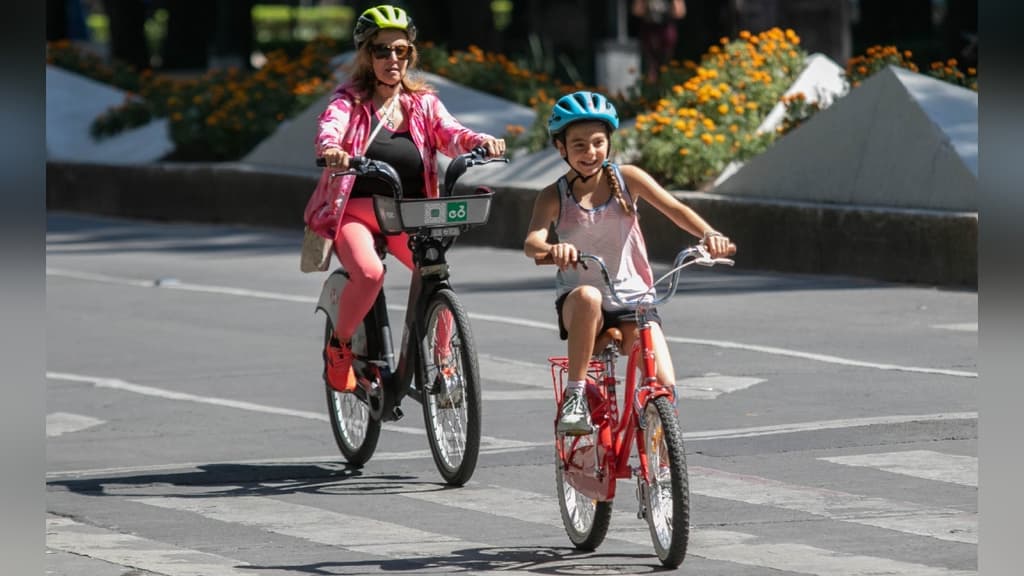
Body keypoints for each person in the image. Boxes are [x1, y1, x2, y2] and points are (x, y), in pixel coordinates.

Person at [303, 4, 506, 392]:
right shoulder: (350, 101)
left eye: (401, 50)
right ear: (366, 54)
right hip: (355, 215)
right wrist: (332, 149)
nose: (392, 59)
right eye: (382, 50)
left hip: (407, 214)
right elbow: (330, 127)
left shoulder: (422, 102)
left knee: (434, 271)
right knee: (369, 273)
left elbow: (451, 133)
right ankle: (340, 345)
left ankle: (444, 363)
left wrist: (480, 142)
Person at [523, 90, 734, 435]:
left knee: (663, 381)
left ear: (608, 143)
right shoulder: (553, 195)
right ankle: (575, 398)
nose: (590, 152)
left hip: (634, 298)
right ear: (561, 148)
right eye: (578, 145)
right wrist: (553, 250)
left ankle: (659, 463)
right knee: (589, 295)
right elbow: (532, 243)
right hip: (579, 303)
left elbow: (676, 210)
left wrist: (709, 234)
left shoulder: (627, 178)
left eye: (597, 142)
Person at [632, 0, 686, 83]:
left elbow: (679, 13)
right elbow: (637, 11)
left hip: (666, 31)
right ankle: (649, 91)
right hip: (649, 31)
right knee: (649, 67)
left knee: (666, 67)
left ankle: (665, 90)